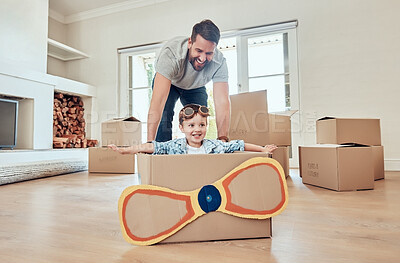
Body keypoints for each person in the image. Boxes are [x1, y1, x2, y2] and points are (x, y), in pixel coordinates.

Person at [147, 19, 230, 143]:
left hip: (196, 86)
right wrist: (149, 143)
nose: (202, 58)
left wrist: (223, 139)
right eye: (199, 51)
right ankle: (160, 154)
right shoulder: (171, 54)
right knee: (165, 116)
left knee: (199, 119)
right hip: (171, 83)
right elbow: (157, 103)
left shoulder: (219, 62)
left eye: (208, 53)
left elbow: (222, 102)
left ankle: (196, 154)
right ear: (190, 43)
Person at [109, 104, 277, 155]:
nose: (197, 130)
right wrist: (125, 151)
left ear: (206, 126)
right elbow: (150, 146)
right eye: (191, 125)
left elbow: (239, 145)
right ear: (181, 128)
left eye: (202, 125)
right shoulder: (174, 146)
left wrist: (262, 149)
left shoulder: (215, 146)